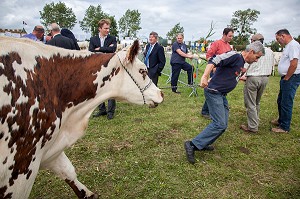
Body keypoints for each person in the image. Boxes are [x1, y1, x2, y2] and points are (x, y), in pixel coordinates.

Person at [184, 41, 265, 164]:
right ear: (251, 52)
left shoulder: (241, 62)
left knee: (223, 124)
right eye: (257, 57)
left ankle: (203, 142)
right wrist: (205, 76)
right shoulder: (234, 55)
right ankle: (192, 144)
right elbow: (213, 60)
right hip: (214, 92)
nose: (256, 60)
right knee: (219, 124)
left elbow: (227, 72)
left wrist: (239, 76)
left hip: (221, 94)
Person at [240, 33, 275, 133]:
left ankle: (253, 126)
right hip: (265, 78)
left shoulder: (253, 51)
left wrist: (243, 74)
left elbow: (246, 64)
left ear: (254, 41)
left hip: (253, 78)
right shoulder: (270, 51)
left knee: (250, 102)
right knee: (257, 101)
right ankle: (255, 120)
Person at [270, 29, 300, 133]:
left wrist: (287, 77)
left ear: (283, 36)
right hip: (287, 77)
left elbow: (294, 63)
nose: (278, 42)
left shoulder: (293, 46)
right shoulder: (288, 46)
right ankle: (281, 120)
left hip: (291, 77)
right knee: (281, 100)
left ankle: (284, 127)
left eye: (278, 39)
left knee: (286, 102)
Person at [201, 27, 234, 118]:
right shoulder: (216, 43)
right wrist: (213, 67)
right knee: (213, 91)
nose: (231, 38)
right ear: (224, 35)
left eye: (232, 36)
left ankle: (207, 110)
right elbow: (209, 56)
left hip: (224, 73)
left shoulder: (228, 46)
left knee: (217, 91)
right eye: (230, 36)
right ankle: (206, 111)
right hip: (215, 72)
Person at [89, 19, 117, 120]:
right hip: (97, 68)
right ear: (100, 28)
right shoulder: (93, 39)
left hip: (109, 67)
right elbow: (91, 51)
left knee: (110, 88)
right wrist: (106, 48)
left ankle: (110, 111)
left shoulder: (112, 38)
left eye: (108, 28)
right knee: (98, 89)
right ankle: (102, 109)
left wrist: (99, 49)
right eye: (105, 28)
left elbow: (113, 49)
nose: (107, 30)